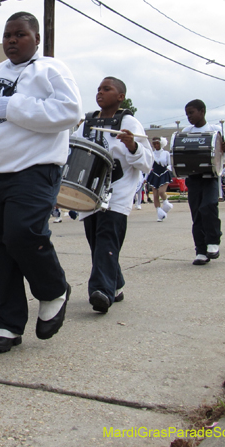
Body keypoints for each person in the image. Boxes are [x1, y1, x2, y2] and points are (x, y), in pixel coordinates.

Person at [0, 11, 81, 354]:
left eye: (20, 34)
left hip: (35, 168)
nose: (11, 40)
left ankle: (53, 290)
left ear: (36, 39)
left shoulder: (51, 69)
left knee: (23, 233)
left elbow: (70, 111)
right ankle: (7, 322)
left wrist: (14, 107)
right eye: (7, 35)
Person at [71, 77, 151, 314]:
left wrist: (133, 146)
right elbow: (73, 149)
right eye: (98, 89)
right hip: (88, 193)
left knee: (106, 239)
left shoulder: (129, 122)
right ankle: (116, 285)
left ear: (120, 97)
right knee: (97, 244)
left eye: (107, 89)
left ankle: (101, 291)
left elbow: (147, 162)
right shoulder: (87, 123)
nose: (100, 92)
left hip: (117, 192)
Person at [182, 100, 225, 265]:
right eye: (187, 114)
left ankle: (213, 241)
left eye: (191, 113)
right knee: (197, 214)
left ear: (202, 111)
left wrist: (224, 148)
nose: (189, 117)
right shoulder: (186, 132)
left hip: (210, 176)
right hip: (193, 177)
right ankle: (201, 251)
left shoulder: (215, 130)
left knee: (209, 206)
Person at [146, 136, 173, 222]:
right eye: (154, 144)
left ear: (161, 143)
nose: (156, 145)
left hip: (164, 174)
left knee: (161, 191)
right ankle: (159, 214)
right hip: (154, 174)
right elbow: (149, 166)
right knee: (155, 195)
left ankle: (166, 203)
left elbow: (170, 164)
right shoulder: (152, 154)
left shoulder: (166, 153)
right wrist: (145, 177)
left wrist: (168, 169)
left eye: (157, 143)